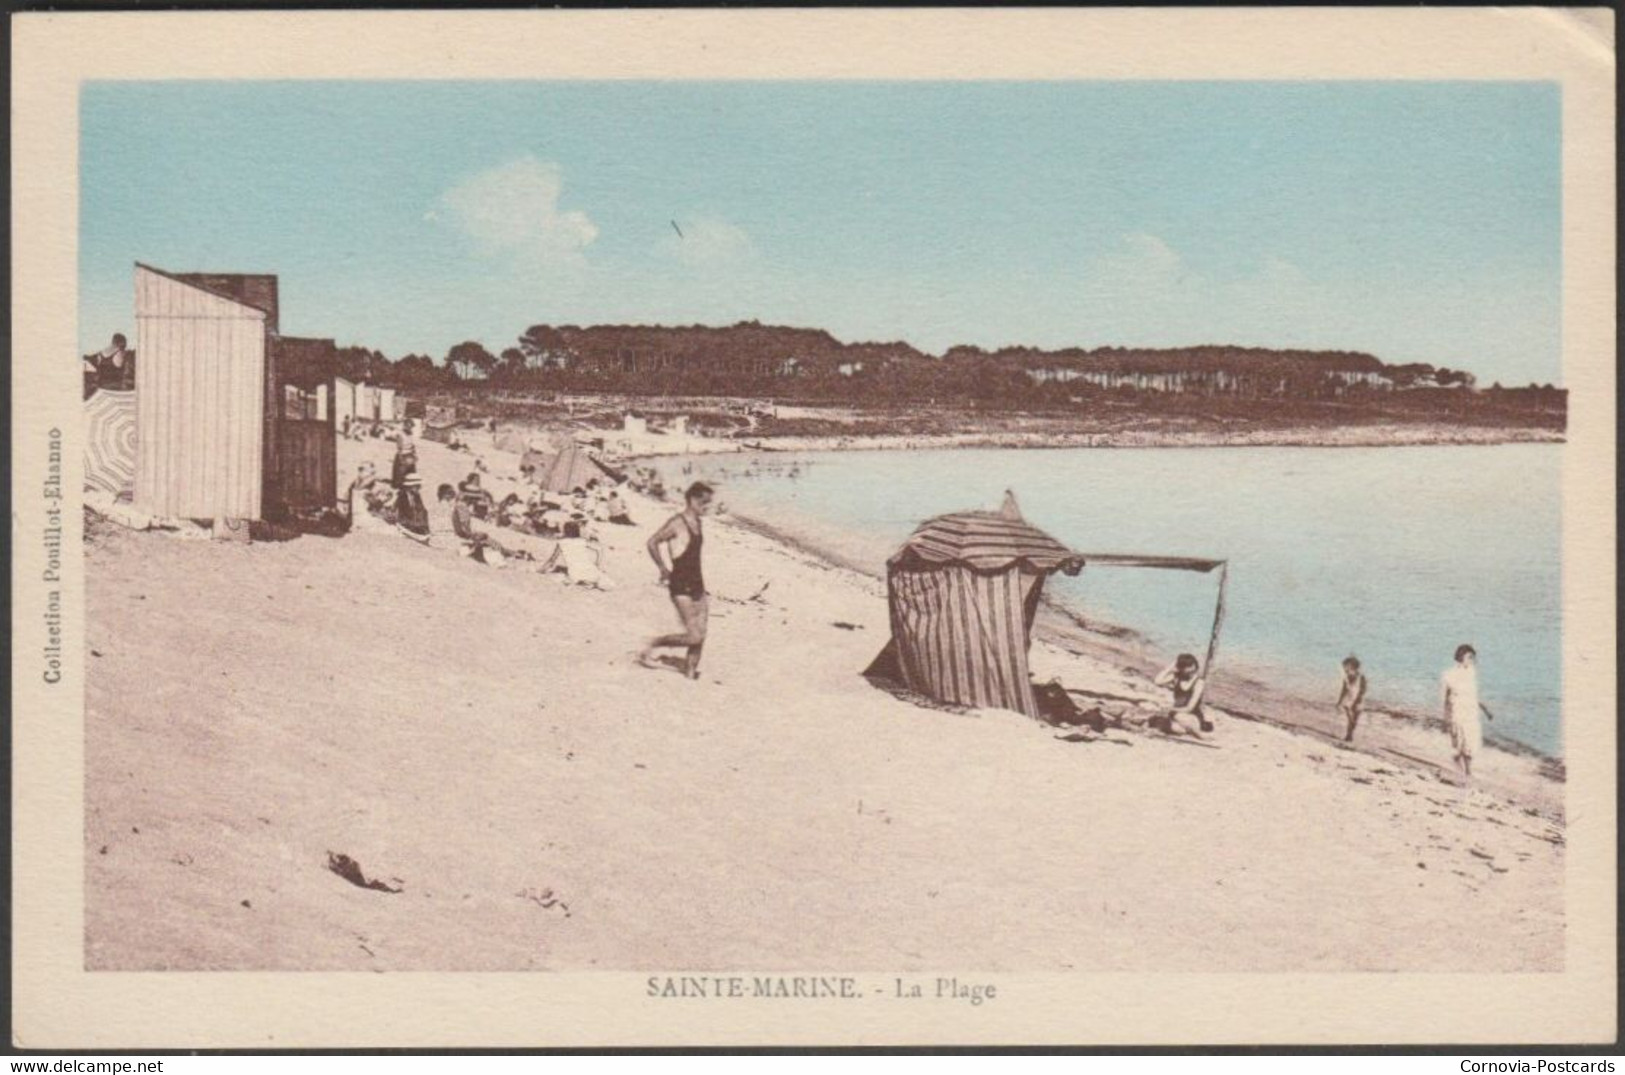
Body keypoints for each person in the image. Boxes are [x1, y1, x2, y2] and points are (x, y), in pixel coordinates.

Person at [641, 481, 714, 680]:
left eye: (709, 502)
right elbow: (652, 542)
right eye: (704, 502)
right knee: (694, 635)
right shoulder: (677, 523)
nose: (708, 506)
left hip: (698, 583)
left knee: (701, 634)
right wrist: (663, 568)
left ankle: (690, 675)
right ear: (692, 499)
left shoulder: (698, 523)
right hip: (680, 584)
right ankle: (655, 643)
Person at [1442, 644, 1494, 778]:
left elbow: (1473, 696)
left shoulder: (1471, 673)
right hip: (1457, 714)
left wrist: (1485, 710)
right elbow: (1446, 699)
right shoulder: (1450, 675)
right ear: (1460, 657)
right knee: (1458, 745)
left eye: (1473, 658)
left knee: (1470, 744)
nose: (1473, 661)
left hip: (1471, 715)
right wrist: (1445, 718)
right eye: (1470, 657)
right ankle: (1460, 771)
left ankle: (1468, 771)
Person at [1153, 653, 1211, 735]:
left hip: (1191, 716)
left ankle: (1197, 732)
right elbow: (1157, 681)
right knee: (1158, 721)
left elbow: (1189, 708)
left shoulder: (1199, 682)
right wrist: (1170, 668)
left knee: (1179, 717)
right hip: (1176, 713)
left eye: (1190, 666)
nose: (1189, 669)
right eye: (1183, 666)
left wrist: (1171, 709)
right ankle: (1184, 731)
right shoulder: (1177, 677)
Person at [1337, 656, 1368, 742]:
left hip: (1358, 700)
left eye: (1347, 668)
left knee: (1355, 719)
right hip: (1349, 700)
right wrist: (1339, 701)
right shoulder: (1346, 678)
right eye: (1344, 668)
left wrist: (1359, 700)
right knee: (1350, 718)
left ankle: (1350, 734)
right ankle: (1349, 735)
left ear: (1353, 667)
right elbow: (1343, 690)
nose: (1345, 670)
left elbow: (1363, 690)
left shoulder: (1361, 677)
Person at [395, 474, 431, 541]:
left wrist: (422, 525)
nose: (419, 488)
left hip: (415, 524)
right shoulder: (402, 496)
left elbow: (421, 510)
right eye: (417, 486)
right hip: (405, 523)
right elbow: (401, 513)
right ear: (410, 486)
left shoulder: (417, 496)